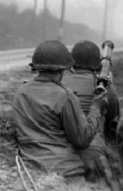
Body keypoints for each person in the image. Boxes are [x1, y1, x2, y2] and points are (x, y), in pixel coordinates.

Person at [12, 40, 107, 178]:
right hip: (66, 171)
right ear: (63, 69)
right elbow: (82, 139)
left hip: (31, 169)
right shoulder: (65, 95)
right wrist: (96, 108)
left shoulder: (21, 92)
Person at [62, 40, 120, 187]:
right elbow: (114, 115)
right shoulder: (101, 84)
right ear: (97, 64)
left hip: (61, 150)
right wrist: (110, 86)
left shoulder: (60, 81)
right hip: (93, 152)